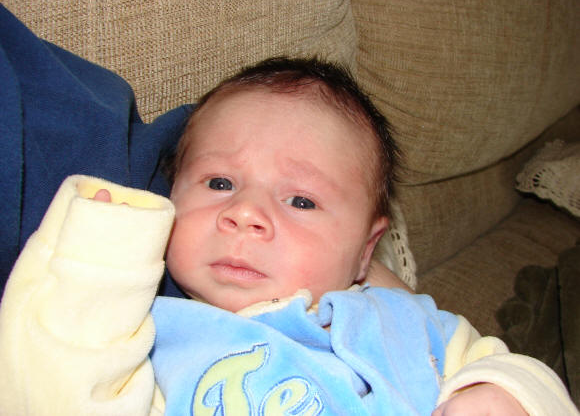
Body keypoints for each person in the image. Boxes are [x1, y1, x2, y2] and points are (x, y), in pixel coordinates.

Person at [0, 58, 577, 416]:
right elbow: (47, 397)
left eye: (301, 200)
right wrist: (96, 273)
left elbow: (508, 368)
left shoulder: (406, 322)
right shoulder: (147, 339)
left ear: (366, 252)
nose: (245, 213)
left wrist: (506, 394)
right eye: (219, 182)